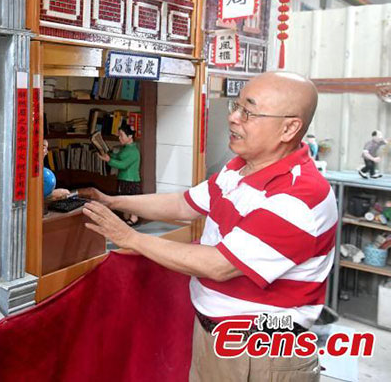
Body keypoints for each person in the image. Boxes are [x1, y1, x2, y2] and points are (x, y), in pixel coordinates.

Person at [81, 71, 336, 380]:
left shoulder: (300, 196)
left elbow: (219, 265)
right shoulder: (239, 168)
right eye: (236, 106)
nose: (233, 118)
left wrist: (129, 237)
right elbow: (183, 204)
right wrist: (113, 201)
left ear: (289, 128)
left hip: (259, 352)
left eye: (249, 112)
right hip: (216, 333)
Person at [96, 123, 141, 226]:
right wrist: (109, 155)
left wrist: (109, 160)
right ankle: (127, 216)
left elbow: (123, 165)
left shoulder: (133, 152)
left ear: (130, 136)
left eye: (121, 135)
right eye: (119, 135)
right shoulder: (125, 148)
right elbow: (118, 156)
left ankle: (134, 217)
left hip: (131, 180)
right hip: (123, 179)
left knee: (131, 200)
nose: (119, 137)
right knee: (124, 198)